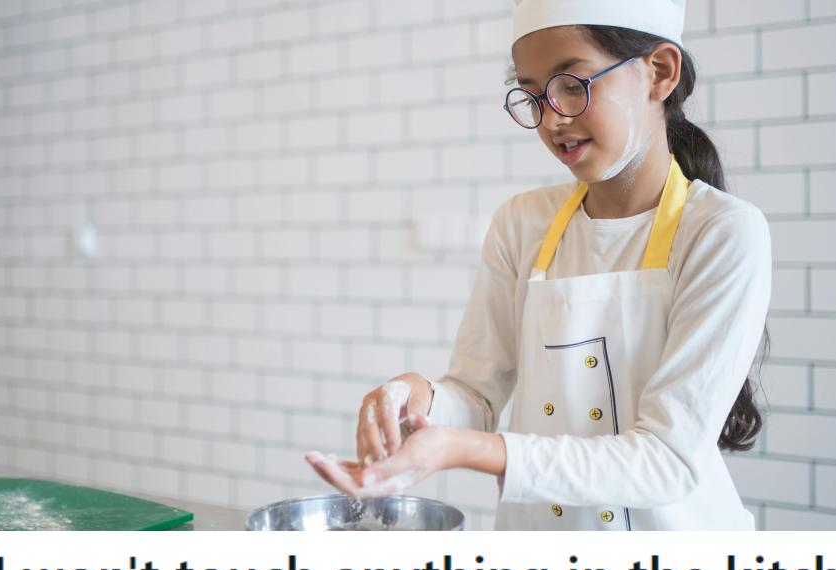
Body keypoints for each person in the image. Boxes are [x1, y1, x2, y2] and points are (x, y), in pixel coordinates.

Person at [306, 0, 771, 530]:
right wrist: (421, 401)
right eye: (532, 94)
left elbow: (664, 459)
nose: (551, 120)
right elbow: (476, 395)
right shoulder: (522, 223)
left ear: (660, 72)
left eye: (573, 85)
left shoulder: (723, 232)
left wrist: (470, 449)